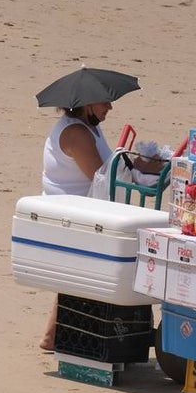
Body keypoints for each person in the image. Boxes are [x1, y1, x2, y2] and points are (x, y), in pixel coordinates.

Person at [39, 100, 115, 350]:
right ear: (88, 104)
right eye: (105, 103)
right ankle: (56, 336)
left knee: (75, 278)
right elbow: (100, 176)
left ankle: (52, 336)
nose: (110, 108)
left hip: (80, 213)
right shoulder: (76, 134)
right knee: (82, 275)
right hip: (68, 218)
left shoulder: (89, 127)